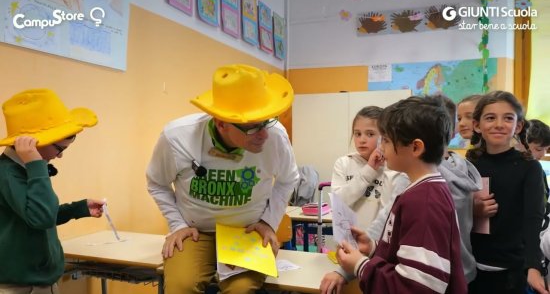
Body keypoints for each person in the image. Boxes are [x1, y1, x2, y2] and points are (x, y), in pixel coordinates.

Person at [146, 64, 299, 294]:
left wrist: (268, 222)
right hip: (196, 232)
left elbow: (288, 179)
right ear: (221, 123)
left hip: (247, 232)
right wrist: (177, 225)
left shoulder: (275, 136)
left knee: (241, 290)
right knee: (180, 287)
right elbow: (157, 182)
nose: (264, 134)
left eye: (267, 121)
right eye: (252, 127)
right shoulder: (177, 137)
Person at [334, 96, 467, 293]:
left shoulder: (425, 201)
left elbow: (417, 287)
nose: (381, 147)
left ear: (415, 147)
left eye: (386, 140)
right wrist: (372, 247)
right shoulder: (419, 190)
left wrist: (360, 265)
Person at [0, 89, 104, 294]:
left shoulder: (25, 169)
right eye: (60, 149)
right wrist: (37, 165)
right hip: (19, 287)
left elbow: (38, 216)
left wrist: (78, 208)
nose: (60, 156)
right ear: (35, 143)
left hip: (41, 283)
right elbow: (42, 217)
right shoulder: (8, 174)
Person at [319, 106, 409, 294]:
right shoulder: (344, 163)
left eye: (370, 134)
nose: (361, 139)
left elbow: (387, 215)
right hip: (346, 247)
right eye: (357, 133)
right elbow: (339, 201)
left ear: (384, 136)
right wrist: (369, 170)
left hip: (377, 250)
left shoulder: (393, 167)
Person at [466, 91, 548, 294]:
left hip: (513, 271)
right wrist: (472, 208)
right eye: (490, 118)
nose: (499, 124)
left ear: (518, 126)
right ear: (477, 125)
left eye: (508, 118)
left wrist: (533, 266)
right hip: (472, 268)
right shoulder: (469, 164)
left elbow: (533, 219)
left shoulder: (529, 168)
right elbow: (453, 211)